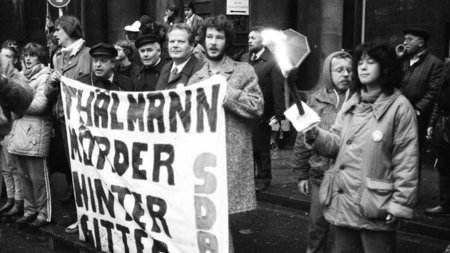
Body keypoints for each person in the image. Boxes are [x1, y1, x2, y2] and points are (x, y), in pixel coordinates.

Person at [305, 42, 419, 253]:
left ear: (385, 67)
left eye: (371, 62)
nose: (363, 67)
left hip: (376, 205)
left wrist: (400, 203)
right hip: (345, 201)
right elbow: (335, 143)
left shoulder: (400, 108)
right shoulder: (352, 103)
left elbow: (407, 160)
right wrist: (316, 135)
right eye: (360, 62)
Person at [187, 14, 264, 251]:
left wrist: (226, 92)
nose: (212, 42)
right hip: (205, 161)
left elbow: (257, 106)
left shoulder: (243, 70)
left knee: (226, 221)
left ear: (226, 41)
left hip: (231, 158)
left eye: (218, 37)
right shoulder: (197, 77)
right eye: (209, 36)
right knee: (207, 220)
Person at [293, 50, 352, 253]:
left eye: (349, 70)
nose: (345, 74)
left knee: (343, 233)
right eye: (339, 70)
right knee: (317, 227)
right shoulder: (316, 100)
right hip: (320, 176)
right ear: (328, 72)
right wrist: (301, 173)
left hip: (349, 178)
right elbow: (303, 138)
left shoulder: (359, 99)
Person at [45, 15, 92, 234]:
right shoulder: (57, 57)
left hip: (84, 123)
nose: (55, 34)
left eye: (58, 30)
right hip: (64, 121)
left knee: (85, 169)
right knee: (73, 169)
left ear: (70, 30)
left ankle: (89, 215)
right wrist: (53, 84)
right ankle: (78, 214)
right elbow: (49, 92)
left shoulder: (88, 55)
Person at [7, 42, 53, 228]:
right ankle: (29, 210)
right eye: (26, 55)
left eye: (32, 55)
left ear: (40, 58)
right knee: (24, 176)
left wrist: (15, 104)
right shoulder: (21, 76)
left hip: (36, 131)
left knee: (38, 178)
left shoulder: (44, 76)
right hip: (20, 132)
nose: (27, 58)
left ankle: (43, 213)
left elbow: (41, 105)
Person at [241, 26, 285, 192]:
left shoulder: (272, 61)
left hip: (263, 113)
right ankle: (248, 177)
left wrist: (280, 118)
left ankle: (264, 178)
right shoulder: (245, 57)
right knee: (247, 147)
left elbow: (277, 90)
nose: (249, 40)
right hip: (244, 110)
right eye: (249, 37)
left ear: (263, 41)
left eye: (253, 38)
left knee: (262, 148)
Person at [398, 28, 443, 177]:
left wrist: (417, 109)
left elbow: (434, 92)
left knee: (411, 155)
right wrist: (396, 58)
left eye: (409, 39)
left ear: (420, 42)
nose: (405, 42)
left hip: (417, 116)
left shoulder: (435, 63)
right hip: (397, 113)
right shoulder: (402, 60)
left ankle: (410, 193)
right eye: (405, 39)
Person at [0, 46, 24, 218]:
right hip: (1, 127)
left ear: (15, 59)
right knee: (5, 168)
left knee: (14, 167)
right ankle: (9, 198)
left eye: (8, 56)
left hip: (12, 126)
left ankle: (18, 201)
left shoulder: (17, 77)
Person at [424, 62, 450, 216]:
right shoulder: (447, 67)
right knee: (445, 166)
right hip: (445, 123)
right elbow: (438, 99)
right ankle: (446, 204)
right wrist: (432, 123)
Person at [155, 23, 204, 90]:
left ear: (191, 46)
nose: (175, 45)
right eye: (172, 41)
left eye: (180, 41)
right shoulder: (165, 68)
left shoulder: (200, 70)